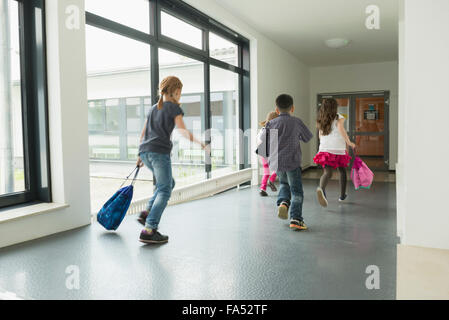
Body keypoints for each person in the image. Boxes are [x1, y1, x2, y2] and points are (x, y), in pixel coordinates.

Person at [136, 76, 209, 244]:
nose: (180, 96)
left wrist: (139, 155)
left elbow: (143, 132)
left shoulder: (154, 108)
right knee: (164, 190)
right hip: (159, 153)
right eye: (180, 93)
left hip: (145, 152)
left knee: (168, 184)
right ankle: (149, 229)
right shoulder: (173, 108)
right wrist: (200, 143)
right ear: (176, 92)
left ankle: (147, 213)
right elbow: (182, 131)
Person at [260, 94, 313, 231]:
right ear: (292, 108)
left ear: (276, 110)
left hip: (277, 162)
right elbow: (307, 138)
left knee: (284, 184)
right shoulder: (297, 122)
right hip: (293, 162)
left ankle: (283, 203)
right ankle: (296, 219)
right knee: (297, 191)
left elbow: (263, 143)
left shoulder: (271, 123)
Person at [313, 98, 356, 207]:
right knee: (342, 171)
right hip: (337, 148)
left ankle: (321, 189)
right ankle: (342, 196)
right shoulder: (338, 117)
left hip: (324, 148)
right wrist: (349, 142)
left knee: (327, 173)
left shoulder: (320, 118)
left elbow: (319, 134)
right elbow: (341, 130)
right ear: (334, 107)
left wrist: (322, 146)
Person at [257, 111, 279, 197]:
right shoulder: (275, 130)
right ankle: (271, 180)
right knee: (278, 168)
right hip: (271, 152)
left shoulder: (263, 129)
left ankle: (262, 189)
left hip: (263, 153)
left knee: (266, 171)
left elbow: (259, 141)